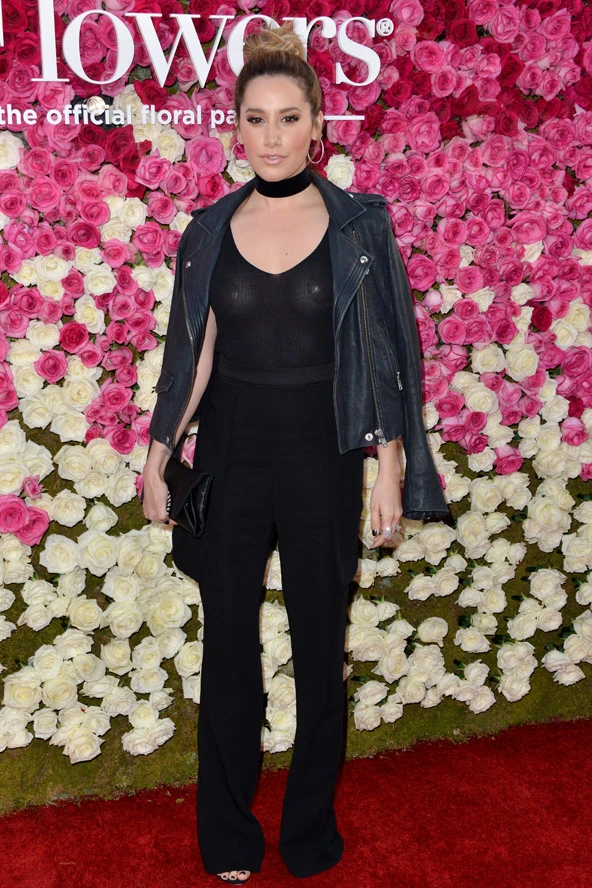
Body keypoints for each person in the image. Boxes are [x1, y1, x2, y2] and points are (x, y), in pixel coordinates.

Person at [142, 20, 448, 886]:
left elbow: (385, 353)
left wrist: (389, 467)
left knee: (320, 653)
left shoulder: (359, 225)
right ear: (235, 129)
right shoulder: (208, 229)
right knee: (228, 653)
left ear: (317, 126)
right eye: (255, 119)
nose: (271, 137)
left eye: (288, 118)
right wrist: (159, 454)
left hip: (323, 455)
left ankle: (309, 832)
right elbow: (192, 355)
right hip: (231, 455)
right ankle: (229, 837)